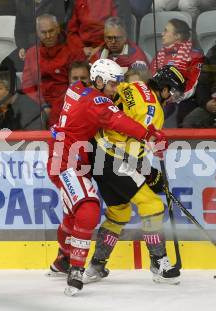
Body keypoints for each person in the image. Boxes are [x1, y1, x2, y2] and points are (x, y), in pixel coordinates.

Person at [46, 58, 168, 296]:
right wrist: (149, 133)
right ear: (99, 80)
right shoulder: (98, 100)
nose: (115, 89)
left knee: (72, 220)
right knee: (88, 209)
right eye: (112, 84)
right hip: (68, 163)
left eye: (118, 83)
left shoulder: (76, 90)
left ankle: (63, 260)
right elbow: (118, 120)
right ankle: (76, 272)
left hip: (66, 159)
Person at [81, 65, 186, 286]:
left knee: (119, 212)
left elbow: (112, 102)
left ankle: (96, 266)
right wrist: (149, 173)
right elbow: (131, 150)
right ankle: (159, 262)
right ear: (165, 88)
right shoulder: (154, 112)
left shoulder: (136, 86)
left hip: (97, 152)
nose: (173, 98)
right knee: (152, 206)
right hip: (113, 158)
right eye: (174, 92)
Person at [22, 13, 85, 127]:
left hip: (66, 102)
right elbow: (28, 86)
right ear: (37, 33)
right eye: (43, 32)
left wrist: (58, 105)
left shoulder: (73, 50)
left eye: (51, 31)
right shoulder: (32, 53)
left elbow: (79, 82)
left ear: (58, 29)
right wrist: (42, 105)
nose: (48, 36)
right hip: (38, 104)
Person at [151, 18, 204, 127]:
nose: (162, 34)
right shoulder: (160, 54)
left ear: (177, 36)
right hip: (159, 98)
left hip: (183, 101)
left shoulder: (194, 55)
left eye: (166, 31)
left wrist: (175, 96)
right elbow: (150, 76)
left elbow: (193, 84)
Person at [66, 0, 133, 57]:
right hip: (82, 49)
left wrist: (100, 49)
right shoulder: (78, 1)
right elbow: (71, 31)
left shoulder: (117, 2)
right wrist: (81, 49)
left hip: (109, 48)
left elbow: (120, 31)